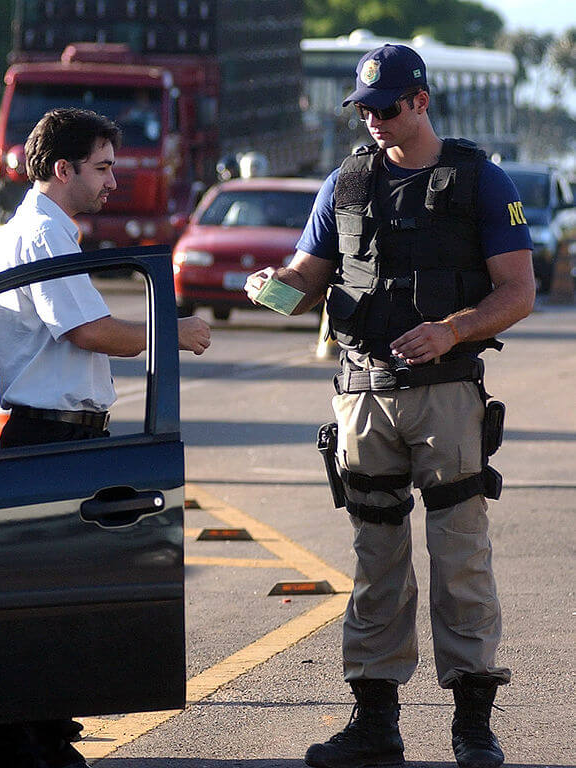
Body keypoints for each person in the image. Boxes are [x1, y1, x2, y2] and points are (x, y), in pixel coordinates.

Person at [243, 44, 534, 768]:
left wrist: (454, 329)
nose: (374, 119)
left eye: (389, 106)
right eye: (365, 108)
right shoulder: (344, 184)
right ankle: (376, 725)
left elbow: (519, 292)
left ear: (422, 101)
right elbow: (303, 286)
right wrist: (265, 290)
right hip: (363, 396)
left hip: (446, 398)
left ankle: (473, 728)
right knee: (376, 557)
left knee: (460, 555)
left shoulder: (480, 180)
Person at [0, 107, 211, 768]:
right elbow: (86, 331)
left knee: (59, 599)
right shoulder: (43, 233)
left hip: (62, 439)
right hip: (46, 441)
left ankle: (45, 734)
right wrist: (175, 331)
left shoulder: (44, 229)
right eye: (104, 167)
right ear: (64, 168)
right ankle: (28, 744)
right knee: (43, 603)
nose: (113, 182)